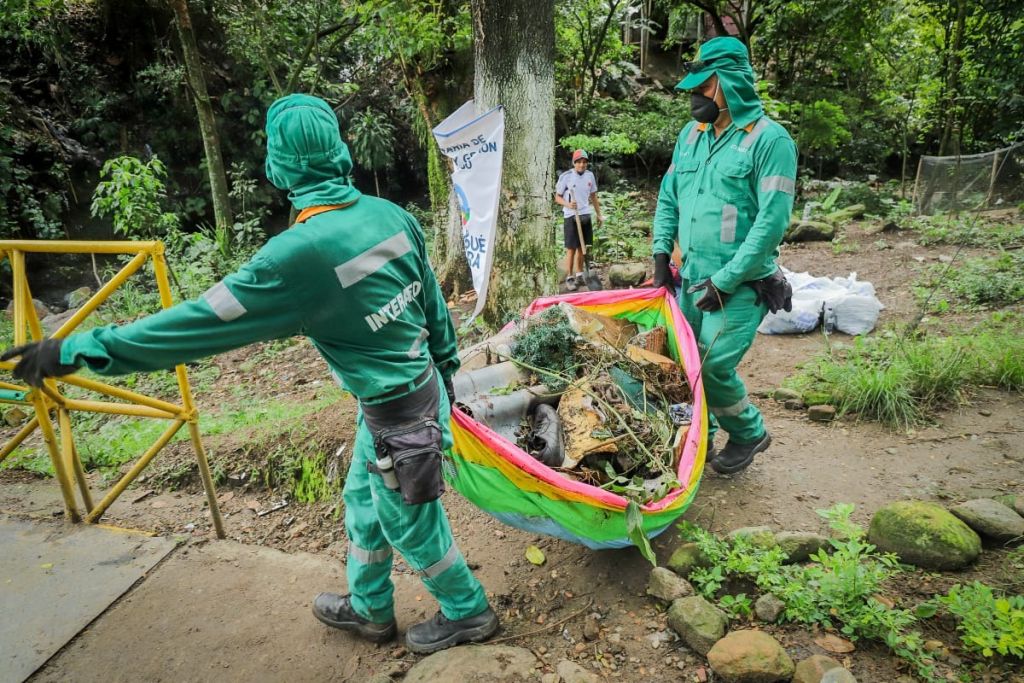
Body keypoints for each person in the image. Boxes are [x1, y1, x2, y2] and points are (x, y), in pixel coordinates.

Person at [1, 94, 499, 655]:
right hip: (414, 394)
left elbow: (188, 327)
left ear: (278, 165)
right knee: (363, 504)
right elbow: (431, 298)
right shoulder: (389, 214)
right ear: (340, 149)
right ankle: (369, 607)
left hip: (397, 419)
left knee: (412, 526)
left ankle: (468, 611)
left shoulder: (292, 259)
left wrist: (76, 351)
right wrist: (449, 364)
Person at [650, 37, 796, 475]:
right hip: (691, 278)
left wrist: (725, 281)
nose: (695, 96)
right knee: (682, 367)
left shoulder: (770, 141)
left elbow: (770, 225)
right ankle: (700, 442)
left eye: (704, 87)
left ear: (731, 83)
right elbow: (668, 198)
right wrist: (661, 256)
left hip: (741, 284)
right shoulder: (691, 136)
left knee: (712, 365)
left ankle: (750, 432)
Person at [554, 149, 603, 291]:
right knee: (571, 248)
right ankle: (569, 276)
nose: (581, 165)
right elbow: (557, 197)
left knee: (583, 247)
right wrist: (568, 204)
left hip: (585, 214)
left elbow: (593, 196)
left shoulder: (590, 176)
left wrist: (599, 215)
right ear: (574, 163)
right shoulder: (566, 177)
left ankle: (580, 274)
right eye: (579, 162)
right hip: (571, 215)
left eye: (584, 162)